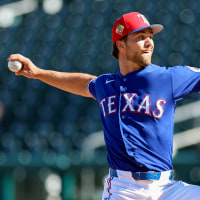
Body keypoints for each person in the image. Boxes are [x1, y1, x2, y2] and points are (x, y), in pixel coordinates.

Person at [8, 12, 200, 200]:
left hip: (167, 188)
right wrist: (37, 72)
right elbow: (82, 83)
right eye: (141, 37)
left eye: (150, 36)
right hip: (123, 189)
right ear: (121, 45)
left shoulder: (169, 78)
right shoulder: (105, 85)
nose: (149, 42)